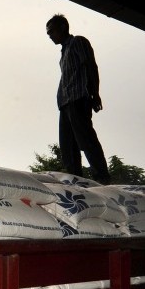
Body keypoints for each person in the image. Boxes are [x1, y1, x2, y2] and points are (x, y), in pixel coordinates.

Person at [45, 14, 111, 184]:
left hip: (78, 99)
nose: (50, 35)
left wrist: (95, 93)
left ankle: (102, 178)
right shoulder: (64, 51)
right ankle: (76, 182)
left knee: (86, 140)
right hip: (65, 103)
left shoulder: (78, 42)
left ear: (63, 28)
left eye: (51, 31)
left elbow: (90, 65)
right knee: (68, 147)